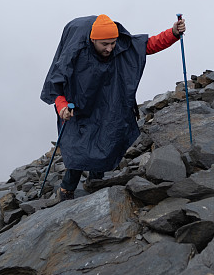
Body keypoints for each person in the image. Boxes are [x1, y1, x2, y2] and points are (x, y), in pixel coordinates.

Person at [40, 14, 187, 201]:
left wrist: (173, 33)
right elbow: (57, 84)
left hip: (108, 104)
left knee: (105, 139)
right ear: (93, 40)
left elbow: (148, 45)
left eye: (113, 43)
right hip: (78, 109)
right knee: (79, 147)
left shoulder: (120, 47)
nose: (110, 48)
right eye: (105, 44)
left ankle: (95, 182)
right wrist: (62, 107)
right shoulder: (75, 54)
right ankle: (67, 189)